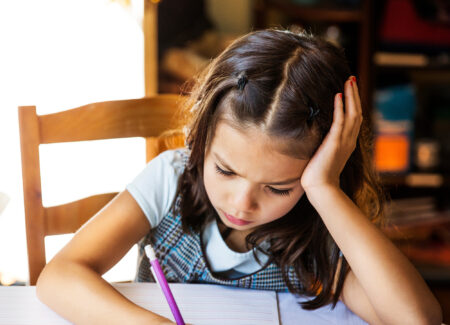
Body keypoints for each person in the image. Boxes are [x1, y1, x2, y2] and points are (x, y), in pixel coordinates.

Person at [36, 28, 442, 324]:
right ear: (199, 139)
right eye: (225, 171)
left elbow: (415, 319)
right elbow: (58, 278)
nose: (240, 204)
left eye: (278, 187)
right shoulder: (171, 178)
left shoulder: (321, 226)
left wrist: (324, 190)